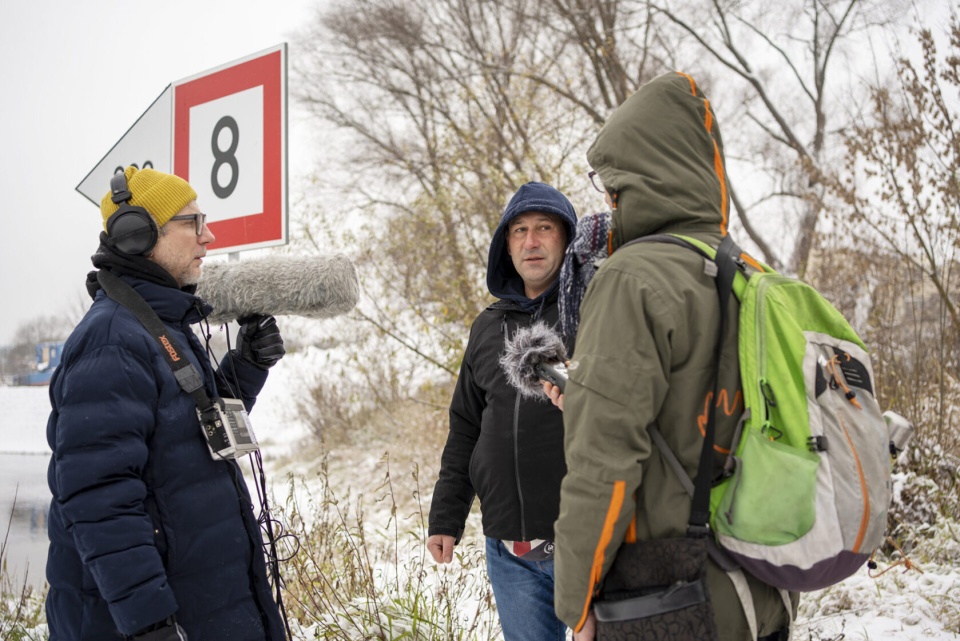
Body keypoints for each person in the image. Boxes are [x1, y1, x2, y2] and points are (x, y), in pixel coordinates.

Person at [546, 72, 796, 640]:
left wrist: (575, 606)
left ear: (638, 179)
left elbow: (603, 463)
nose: (608, 197)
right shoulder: (749, 276)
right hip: (761, 590)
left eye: (610, 182)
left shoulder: (632, 278)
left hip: (668, 600)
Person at [45, 167, 287, 641]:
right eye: (193, 223)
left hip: (204, 604)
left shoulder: (158, 324)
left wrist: (247, 365)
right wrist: (151, 624)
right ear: (139, 236)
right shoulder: (112, 342)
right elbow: (100, 500)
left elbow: (188, 435)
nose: (209, 236)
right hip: (156, 622)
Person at [427, 182, 578, 641]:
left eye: (544, 228)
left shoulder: (590, 313)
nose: (531, 241)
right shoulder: (487, 326)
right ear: (506, 245)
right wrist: (446, 518)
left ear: (565, 239)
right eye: (519, 231)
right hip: (509, 551)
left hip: (586, 541)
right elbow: (466, 426)